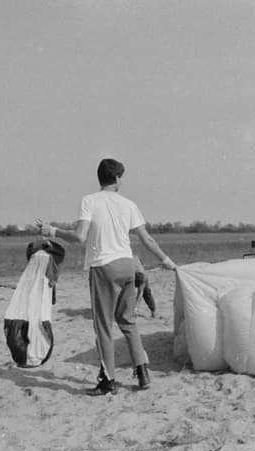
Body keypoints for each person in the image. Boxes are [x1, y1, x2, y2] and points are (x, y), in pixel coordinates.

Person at [37, 158, 176, 396]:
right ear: (117, 178)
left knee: (103, 326)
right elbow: (147, 239)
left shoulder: (89, 201)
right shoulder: (129, 204)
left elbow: (80, 236)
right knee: (128, 321)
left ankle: (107, 381)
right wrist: (166, 260)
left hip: (103, 266)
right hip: (127, 265)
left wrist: (52, 231)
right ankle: (142, 373)